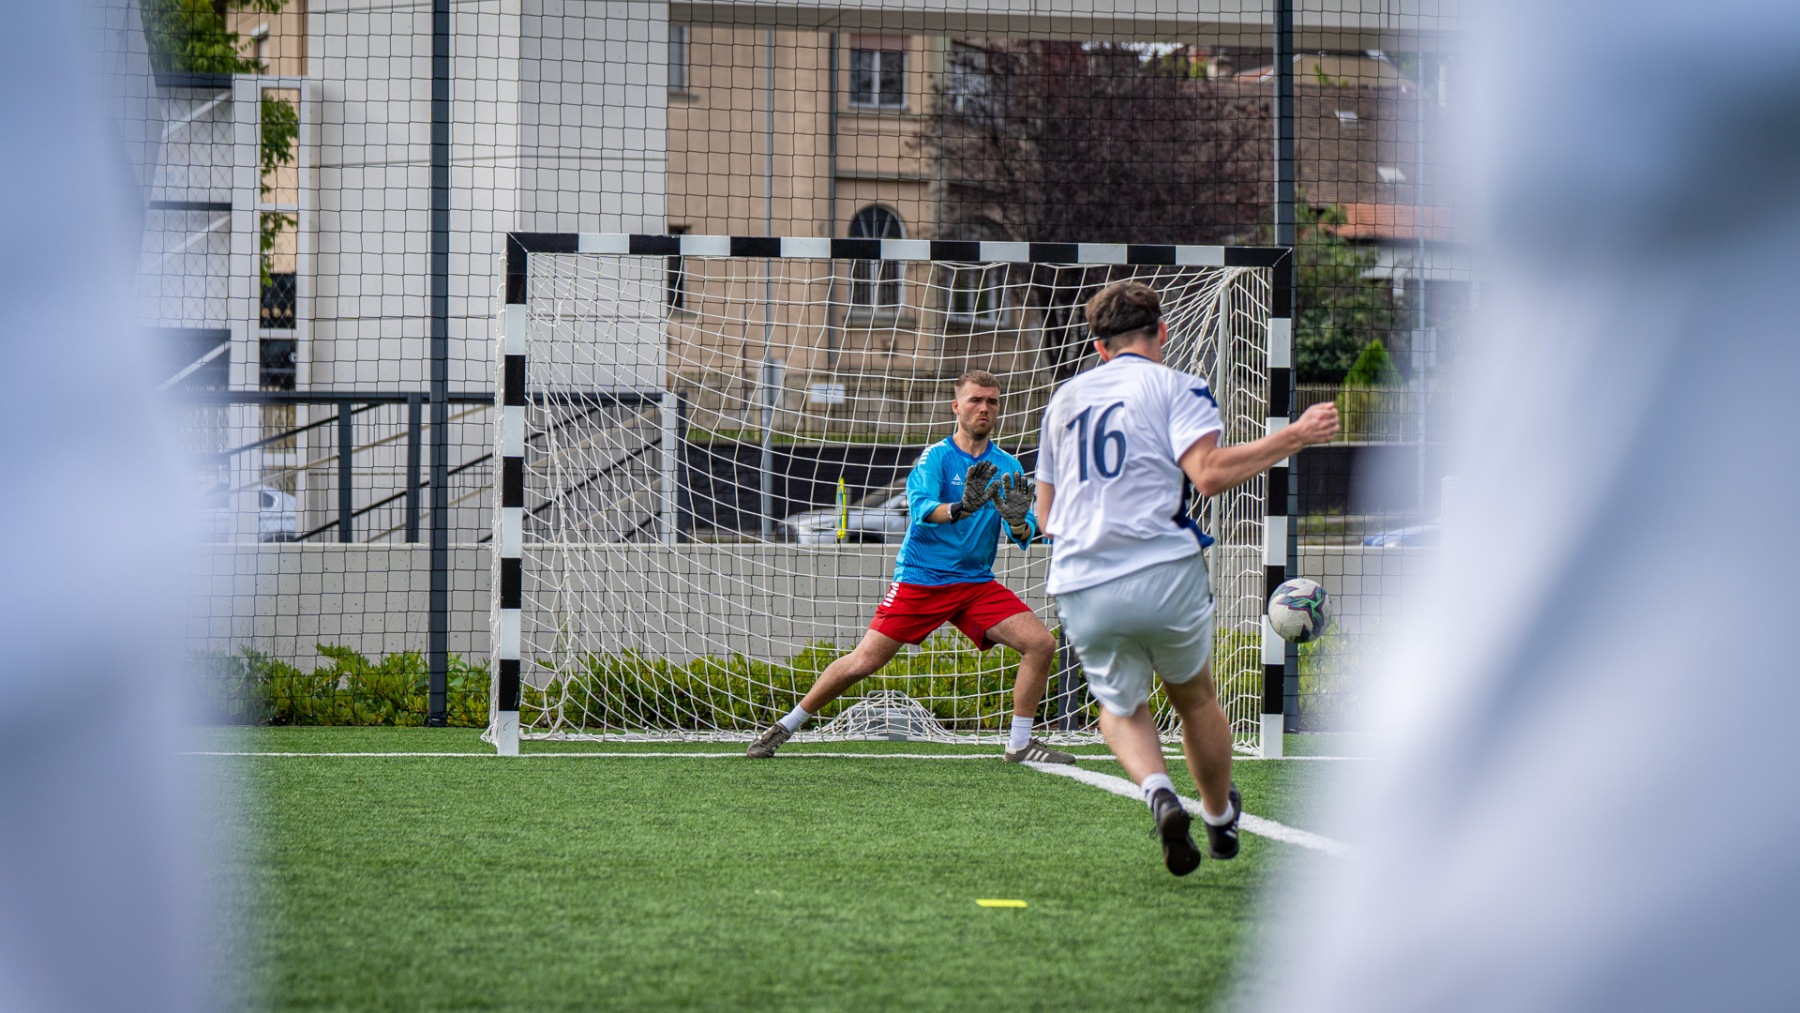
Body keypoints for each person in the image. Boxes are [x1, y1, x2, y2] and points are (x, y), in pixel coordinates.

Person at [1035, 281, 1337, 875]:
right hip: (1162, 567)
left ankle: (1159, 794)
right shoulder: (1177, 386)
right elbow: (1208, 474)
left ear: (1098, 347)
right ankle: (1220, 817)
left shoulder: (1064, 400)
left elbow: (1046, 516)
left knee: (1119, 709)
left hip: (1080, 576)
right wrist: (1295, 435)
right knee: (1194, 698)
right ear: (1163, 333)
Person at [747, 369, 1075, 764]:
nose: (984, 408)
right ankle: (784, 727)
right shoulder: (936, 457)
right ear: (956, 406)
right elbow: (922, 510)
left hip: (975, 584)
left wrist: (1019, 520)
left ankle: (1019, 745)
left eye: (992, 401)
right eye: (975, 400)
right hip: (923, 579)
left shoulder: (1008, 465)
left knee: (1040, 644)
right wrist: (962, 507)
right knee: (864, 662)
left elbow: (1022, 533)